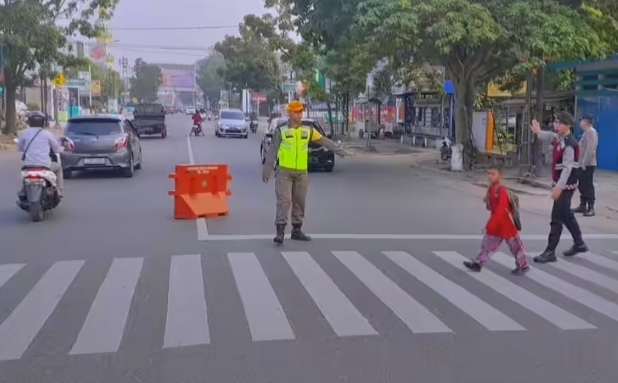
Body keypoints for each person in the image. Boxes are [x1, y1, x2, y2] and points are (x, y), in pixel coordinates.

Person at [262, 100, 353, 244]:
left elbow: (324, 141)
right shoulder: (281, 130)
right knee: (284, 201)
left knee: (299, 202)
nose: (298, 115)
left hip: (302, 173)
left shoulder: (308, 130)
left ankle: (296, 231)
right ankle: (280, 232)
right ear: (289, 113)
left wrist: (341, 152)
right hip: (284, 171)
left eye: (300, 112)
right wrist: (266, 172)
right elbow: (272, 151)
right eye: (295, 112)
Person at [530, 112, 588, 263]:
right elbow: (549, 136)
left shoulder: (570, 144)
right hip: (562, 184)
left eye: (560, 123)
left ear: (568, 125)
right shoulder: (559, 138)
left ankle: (550, 252)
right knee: (565, 214)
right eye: (556, 122)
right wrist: (538, 132)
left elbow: (568, 168)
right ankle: (579, 243)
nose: (557, 125)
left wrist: (559, 188)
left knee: (556, 217)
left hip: (566, 186)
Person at [463, 165, 530, 274]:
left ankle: (523, 265)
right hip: (497, 225)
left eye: (493, 174)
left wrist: (491, 224)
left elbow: (502, 209)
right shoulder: (491, 189)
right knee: (487, 245)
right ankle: (478, 263)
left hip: (506, 224)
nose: (490, 176)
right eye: (489, 173)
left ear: (500, 176)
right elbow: (492, 208)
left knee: (516, 247)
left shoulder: (501, 190)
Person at [17, 111, 64, 196]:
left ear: (29, 122)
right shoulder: (47, 134)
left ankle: (24, 190)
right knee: (58, 167)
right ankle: (59, 190)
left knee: (24, 177)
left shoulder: (24, 133)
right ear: (43, 122)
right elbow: (57, 149)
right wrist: (62, 148)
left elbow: (20, 148)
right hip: (44, 165)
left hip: (28, 165)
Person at [573, 113, 598, 217]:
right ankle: (583, 205)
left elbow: (590, 150)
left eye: (582, 120)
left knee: (588, 186)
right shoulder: (585, 133)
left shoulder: (591, 132)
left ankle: (591, 207)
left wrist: (584, 163)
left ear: (586, 122)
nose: (580, 122)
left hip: (587, 164)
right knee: (582, 185)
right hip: (581, 164)